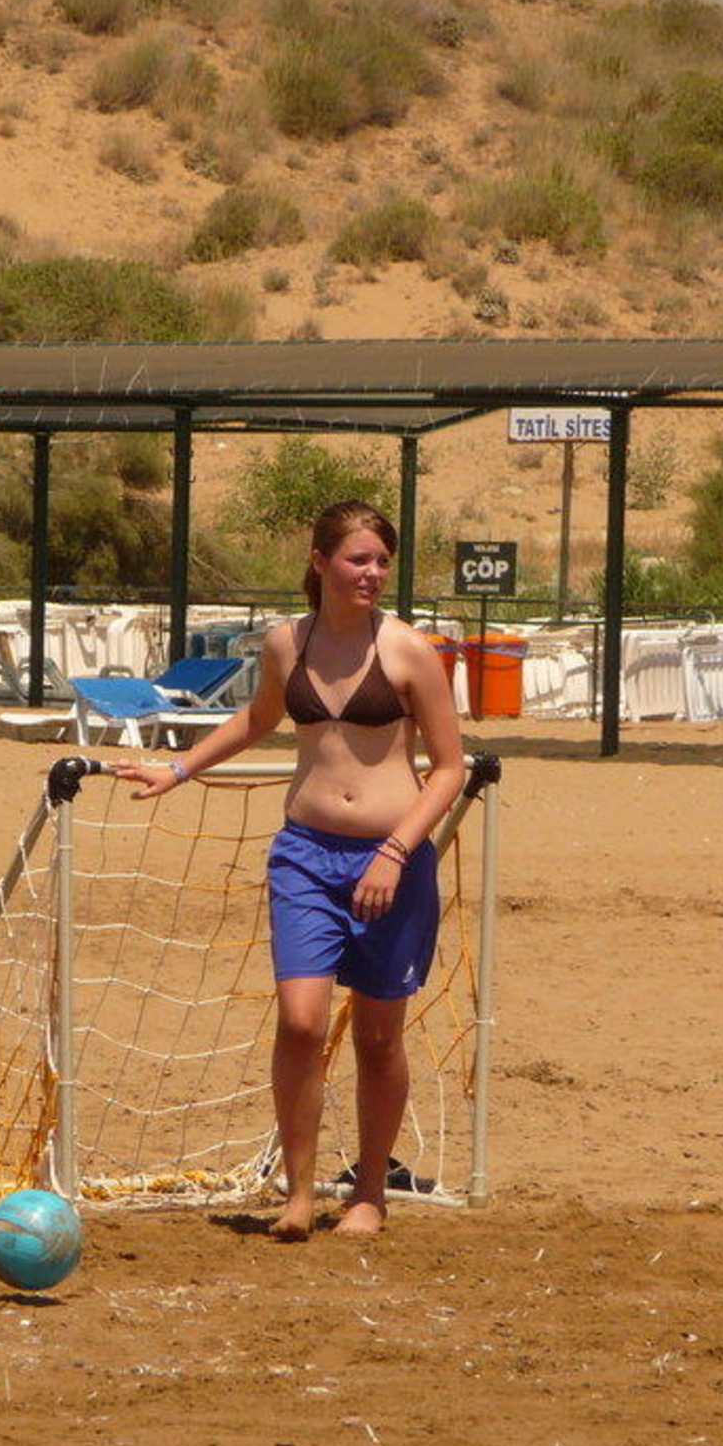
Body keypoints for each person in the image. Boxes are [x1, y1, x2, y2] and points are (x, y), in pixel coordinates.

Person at [113, 502, 464, 1240]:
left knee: (378, 1037)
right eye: (358, 559)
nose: (372, 573)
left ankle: (370, 1192)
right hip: (305, 855)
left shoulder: (409, 651)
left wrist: (396, 852)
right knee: (301, 1023)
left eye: (382, 561)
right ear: (319, 561)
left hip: (391, 863)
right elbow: (257, 720)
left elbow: (448, 770)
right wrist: (177, 769)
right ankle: (299, 1193)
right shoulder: (286, 643)